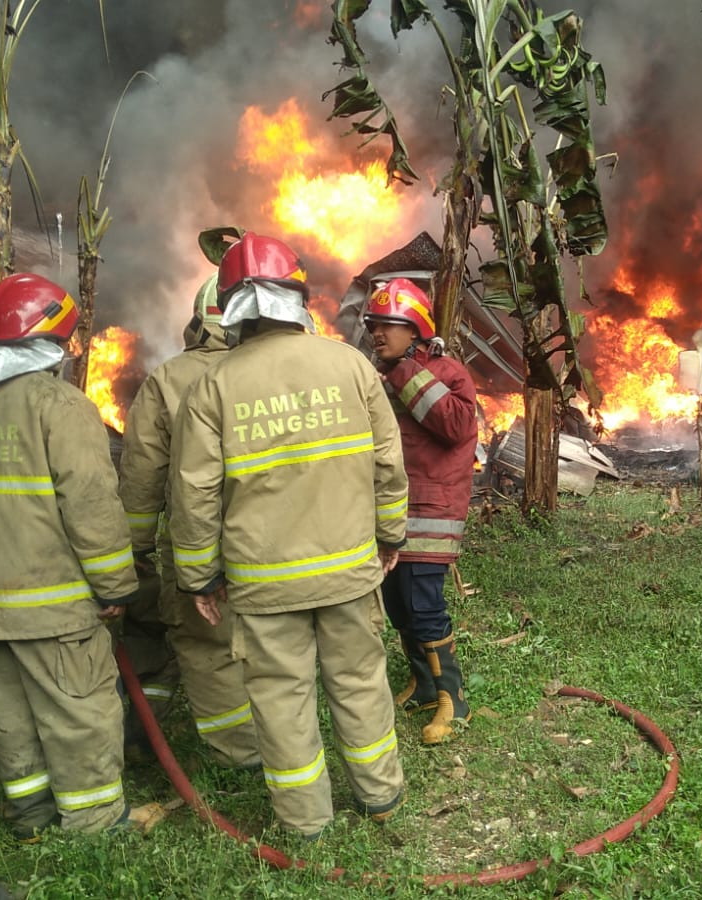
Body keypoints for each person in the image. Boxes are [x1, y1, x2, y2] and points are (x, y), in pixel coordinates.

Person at [168, 233, 410, 839]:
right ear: (297, 298)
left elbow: (193, 495)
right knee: (360, 679)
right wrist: (390, 536)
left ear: (231, 306)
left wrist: (199, 577)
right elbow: (389, 464)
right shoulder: (351, 366)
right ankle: (381, 794)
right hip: (348, 569)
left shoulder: (212, 386)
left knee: (280, 698)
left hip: (263, 583)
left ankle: (305, 822)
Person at [0, 272, 161, 839]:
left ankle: (31, 812)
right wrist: (115, 586)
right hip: (50, 605)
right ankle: (94, 822)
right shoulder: (60, 405)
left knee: (9, 713)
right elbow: (91, 505)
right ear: (52, 342)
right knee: (79, 710)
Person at [118, 274, 260, 771]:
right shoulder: (281, 368)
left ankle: (242, 756)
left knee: (205, 642)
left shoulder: (170, 379)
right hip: (281, 540)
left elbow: (143, 475)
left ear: (200, 319)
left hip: (201, 543)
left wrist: (134, 548)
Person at [362, 278, 478, 745]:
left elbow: (456, 424)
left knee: (423, 606)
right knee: (397, 605)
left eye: (388, 325)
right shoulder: (379, 375)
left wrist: (406, 371)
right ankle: (425, 685)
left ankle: (454, 699)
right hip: (389, 512)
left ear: (414, 329)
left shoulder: (448, 372)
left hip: (430, 512)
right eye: (373, 325)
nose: (377, 333)